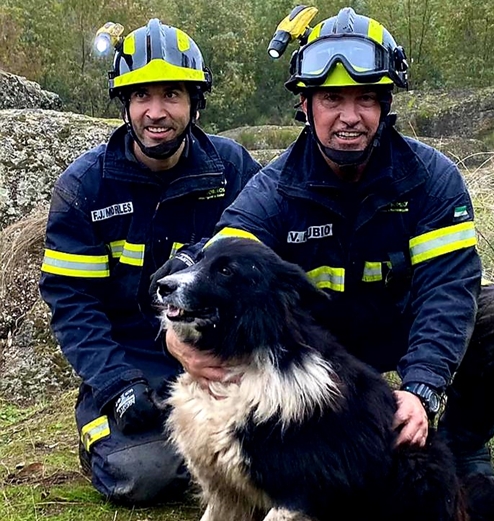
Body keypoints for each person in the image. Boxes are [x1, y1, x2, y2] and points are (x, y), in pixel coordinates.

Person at [162, 7, 494, 481]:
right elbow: (216, 272)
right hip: (320, 349)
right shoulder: (272, 191)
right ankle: (303, 449)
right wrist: (177, 336)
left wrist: (422, 390)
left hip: (402, 326)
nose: (350, 117)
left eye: (366, 99)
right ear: (306, 106)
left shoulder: (431, 179)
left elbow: (447, 292)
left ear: (386, 104)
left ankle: (459, 448)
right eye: (332, 100)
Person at [38, 18, 260, 504]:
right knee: (143, 474)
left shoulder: (235, 169)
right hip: (131, 360)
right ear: (124, 104)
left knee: (269, 454)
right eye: (142, 96)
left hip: (222, 354)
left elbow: (262, 266)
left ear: (194, 103)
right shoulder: (85, 188)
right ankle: (104, 434)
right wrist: (116, 382)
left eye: (172, 96)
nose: (156, 112)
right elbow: (74, 305)